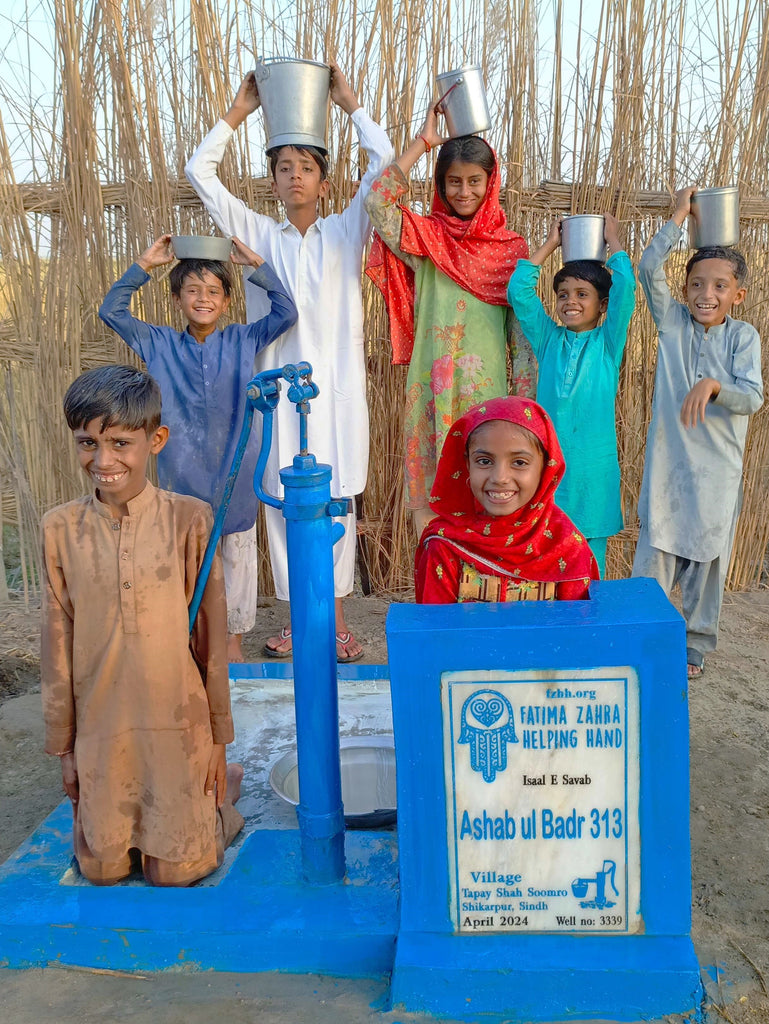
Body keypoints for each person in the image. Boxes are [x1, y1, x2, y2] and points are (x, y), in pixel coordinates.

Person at [185, 62, 394, 663]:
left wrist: (351, 104)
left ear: (325, 182)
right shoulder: (256, 231)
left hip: (337, 390)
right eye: (283, 169)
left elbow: (380, 169)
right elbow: (198, 173)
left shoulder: (347, 228)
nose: (294, 177)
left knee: (337, 502)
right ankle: (302, 621)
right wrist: (238, 110)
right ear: (271, 181)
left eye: (305, 168)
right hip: (276, 395)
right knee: (279, 498)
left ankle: (339, 624)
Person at [41, 365, 244, 886]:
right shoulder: (60, 529)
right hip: (102, 731)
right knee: (100, 871)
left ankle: (224, 807)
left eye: (120, 443)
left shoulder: (190, 520)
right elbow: (56, 647)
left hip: (178, 727)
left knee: (178, 873)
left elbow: (212, 645)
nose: (103, 461)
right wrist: (66, 751)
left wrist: (219, 742)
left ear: (156, 441)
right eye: (88, 443)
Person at [99, 234, 296, 663]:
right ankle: (189, 639)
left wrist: (254, 265)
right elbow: (111, 311)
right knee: (185, 558)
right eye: (192, 291)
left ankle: (231, 645)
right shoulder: (159, 344)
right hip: (180, 474)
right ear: (176, 299)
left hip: (237, 470)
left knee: (238, 556)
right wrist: (145, 262)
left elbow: (287, 312)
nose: (202, 299)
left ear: (226, 301)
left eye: (213, 292)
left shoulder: (243, 340)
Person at [365, 106, 533, 539]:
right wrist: (423, 143)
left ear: (490, 183)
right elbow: (377, 203)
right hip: (432, 392)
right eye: (453, 181)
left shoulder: (511, 250)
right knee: (433, 508)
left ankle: (485, 598)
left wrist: (525, 405)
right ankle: (435, 599)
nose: (463, 191)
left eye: (474, 181)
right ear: (440, 185)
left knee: (492, 496)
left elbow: (522, 333)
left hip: (488, 394)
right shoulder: (425, 238)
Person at [632, 186, 763, 678]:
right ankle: (646, 638)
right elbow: (648, 268)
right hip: (670, 464)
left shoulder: (743, 337)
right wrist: (678, 218)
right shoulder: (671, 324)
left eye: (720, 286)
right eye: (696, 285)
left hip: (716, 472)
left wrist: (713, 386)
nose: (706, 295)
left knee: (708, 557)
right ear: (684, 291)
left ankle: (694, 647)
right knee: (657, 548)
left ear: (737, 294)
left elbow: (751, 397)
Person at [507, 214, 636, 576]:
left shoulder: (608, 345)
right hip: (551, 470)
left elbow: (625, 289)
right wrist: (551, 244)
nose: (570, 302)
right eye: (563, 294)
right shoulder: (549, 341)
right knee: (547, 551)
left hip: (594, 471)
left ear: (602, 305)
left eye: (582, 294)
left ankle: (591, 623)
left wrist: (613, 240)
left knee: (591, 564)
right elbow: (519, 291)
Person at [415, 395, 599, 604]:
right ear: (467, 464)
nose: (500, 478)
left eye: (519, 462)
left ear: (546, 467)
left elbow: (580, 630)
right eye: (484, 461)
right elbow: (434, 631)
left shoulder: (566, 546)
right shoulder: (445, 545)